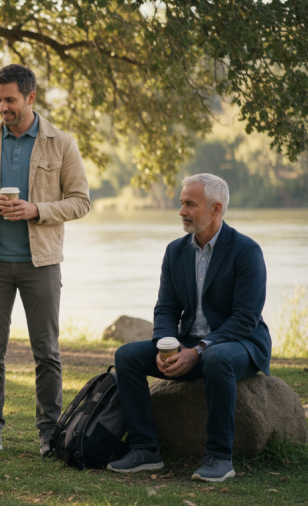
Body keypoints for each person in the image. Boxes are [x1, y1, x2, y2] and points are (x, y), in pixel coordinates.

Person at [0, 64, 91, 456]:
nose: (3, 107)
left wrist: (37, 210)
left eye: (10, 99)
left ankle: (49, 432)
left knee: (46, 350)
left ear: (30, 98)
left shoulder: (61, 143)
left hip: (42, 263)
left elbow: (81, 201)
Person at [107, 174, 271, 482]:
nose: (181, 211)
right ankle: (145, 450)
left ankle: (219, 457)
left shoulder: (246, 251)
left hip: (241, 344)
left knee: (216, 357)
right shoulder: (175, 251)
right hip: (189, 342)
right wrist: (165, 346)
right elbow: (166, 309)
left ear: (216, 208)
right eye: (181, 203)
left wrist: (197, 350)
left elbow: (245, 318)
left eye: (190, 204)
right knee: (127, 355)